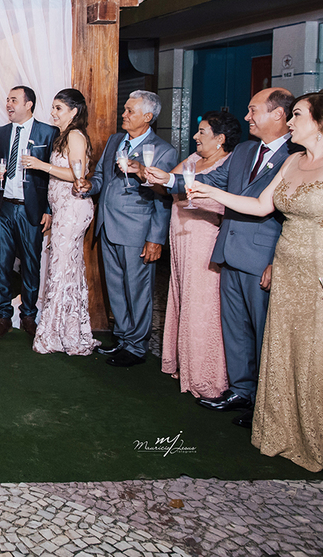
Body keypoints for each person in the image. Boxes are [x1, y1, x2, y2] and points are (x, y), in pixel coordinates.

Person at [188, 88, 323, 478]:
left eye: (297, 115)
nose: (289, 121)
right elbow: (261, 206)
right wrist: (210, 190)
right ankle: (287, 433)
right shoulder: (292, 161)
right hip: (288, 270)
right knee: (285, 350)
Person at [146, 88, 297, 422]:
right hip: (229, 250)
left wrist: (278, 261)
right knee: (236, 329)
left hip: (262, 256)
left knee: (264, 333)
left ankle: (266, 407)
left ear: (278, 114)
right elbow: (210, 179)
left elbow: (291, 216)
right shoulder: (244, 150)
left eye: (253, 110)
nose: (247, 117)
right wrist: (168, 179)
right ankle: (241, 391)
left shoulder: (295, 155)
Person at [75, 90, 176, 367]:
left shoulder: (163, 151)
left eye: (130, 111)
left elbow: (163, 199)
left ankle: (137, 347)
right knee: (116, 288)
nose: (124, 114)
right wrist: (89, 186)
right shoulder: (115, 140)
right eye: (125, 109)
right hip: (108, 225)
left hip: (137, 231)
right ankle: (122, 338)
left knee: (138, 290)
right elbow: (101, 177)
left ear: (148, 116)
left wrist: (156, 239)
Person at [159, 111, 240, 399]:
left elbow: (219, 202)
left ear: (220, 139)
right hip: (180, 238)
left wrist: (178, 187)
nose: (195, 136)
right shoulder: (194, 159)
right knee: (182, 297)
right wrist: (152, 175)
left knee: (202, 304)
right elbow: (170, 183)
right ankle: (184, 363)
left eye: (202, 131)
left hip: (203, 240)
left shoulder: (228, 163)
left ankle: (207, 375)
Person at [19, 89, 97, 356]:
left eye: (58, 108)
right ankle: (67, 330)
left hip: (74, 209)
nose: (52, 113)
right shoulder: (64, 136)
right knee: (64, 269)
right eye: (53, 107)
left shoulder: (75, 135)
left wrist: (41, 165)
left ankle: (56, 333)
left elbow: (78, 174)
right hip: (63, 209)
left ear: (74, 111)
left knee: (61, 270)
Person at [0, 86, 58, 339]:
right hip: (3, 207)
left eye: (14, 100)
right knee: (1, 264)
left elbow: (54, 176)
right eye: (7, 100)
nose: (8, 104)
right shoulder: (0, 132)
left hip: (30, 209)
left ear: (29, 104)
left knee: (31, 264)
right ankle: (3, 316)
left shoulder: (48, 133)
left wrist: (48, 209)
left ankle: (29, 316)